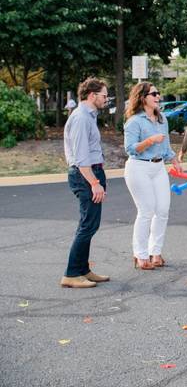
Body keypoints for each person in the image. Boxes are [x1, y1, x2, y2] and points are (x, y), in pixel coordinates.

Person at [123, 82, 182, 270]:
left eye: (158, 93)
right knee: (146, 211)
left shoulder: (162, 119)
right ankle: (140, 255)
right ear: (143, 98)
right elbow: (130, 149)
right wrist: (149, 141)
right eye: (154, 94)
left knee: (163, 210)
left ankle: (155, 252)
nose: (158, 96)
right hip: (139, 168)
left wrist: (174, 159)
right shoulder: (134, 121)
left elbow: (165, 147)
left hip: (158, 168)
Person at [61, 78, 111, 288]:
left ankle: (83, 269)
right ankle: (71, 273)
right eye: (104, 96)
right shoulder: (81, 118)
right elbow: (81, 158)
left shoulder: (88, 116)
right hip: (85, 175)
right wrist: (94, 183)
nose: (106, 100)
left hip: (91, 173)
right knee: (88, 225)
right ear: (92, 95)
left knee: (89, 223)